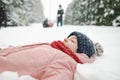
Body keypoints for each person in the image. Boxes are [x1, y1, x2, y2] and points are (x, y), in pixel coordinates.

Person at [0, 31, 103, 80]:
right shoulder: (52, 47)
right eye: (69, 37)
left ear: (79, 52)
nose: (66, 39)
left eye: (72, 40)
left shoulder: (65, 60)